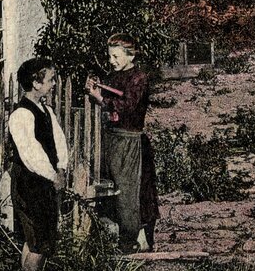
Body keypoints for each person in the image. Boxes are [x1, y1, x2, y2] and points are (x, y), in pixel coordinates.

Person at [85, 34, 159, 253]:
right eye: (110, 56)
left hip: (130, 142)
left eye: (116, 56)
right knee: (112, 190)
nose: (111, 61)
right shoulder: (112, 76)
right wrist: (92, 91)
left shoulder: (139, 78)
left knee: (130, 192)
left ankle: (135, 239)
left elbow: (126, 105)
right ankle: (121, 239)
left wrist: (100, 99)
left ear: (130, 55)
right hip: (112, 140)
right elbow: (103, 101)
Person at [9, 57, 67, 271]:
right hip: (30, 185)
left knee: (35, 241)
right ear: (36, 83)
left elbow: (59, 141)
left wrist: (60, 167)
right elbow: (31, 154)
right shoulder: (21, 115)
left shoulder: (46, 111)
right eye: (51, 80)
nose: (53, 85)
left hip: (44, 183)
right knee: (39, 244)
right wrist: (53, 176)